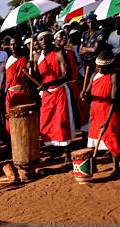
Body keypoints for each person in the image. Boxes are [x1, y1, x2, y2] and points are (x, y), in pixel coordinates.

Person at [35, 31, 77, 161]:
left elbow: (67, 74)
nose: (44, 41)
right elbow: (38, 77)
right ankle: (54, 150)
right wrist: (31, 68)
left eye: (46, 38)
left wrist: (50, 84)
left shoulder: (59, 52)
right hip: (47, 95)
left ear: (51, 39)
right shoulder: (38, 57)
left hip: (59, 92)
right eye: (41, 39)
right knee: (46, 123)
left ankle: (67, 152)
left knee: (62, 121)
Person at [82, 51, 120, 177]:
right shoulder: (94, 74)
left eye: (101, 67)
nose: (99, 68)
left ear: (109, 66)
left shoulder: (114, 75)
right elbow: (88, 91)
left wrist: (107, 121)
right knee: (93, 138)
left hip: (108, 111)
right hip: (95, 110)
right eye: (97, 66)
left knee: (111, 138)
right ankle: (93, 164)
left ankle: (117, 168)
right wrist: (84, 93)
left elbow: (114, 100)